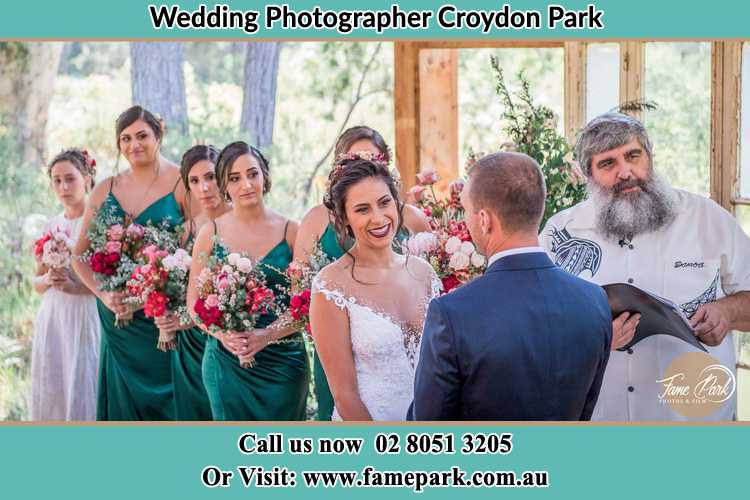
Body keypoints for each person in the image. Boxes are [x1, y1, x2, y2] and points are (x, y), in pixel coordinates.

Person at [541, 112, 750, 421]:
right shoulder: (561, 233)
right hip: (599, 425)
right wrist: (591, 339)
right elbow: (537, 326)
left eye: (633, 155)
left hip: (694, 426)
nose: (625, 172)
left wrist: (726, 313)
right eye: (608, 163)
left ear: (649, 157)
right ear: (588, 175)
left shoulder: (707, 219)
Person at [411, 152, 612, 420]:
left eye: (466, 211)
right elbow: (585, 410)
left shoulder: (452, 313)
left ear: (485, 220)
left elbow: (428, 428)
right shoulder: (595, 300)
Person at [294, 125, 431, 421]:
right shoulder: (330, 286)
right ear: (344, 217)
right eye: (362, 209)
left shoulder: (425, 273)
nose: (378, 218)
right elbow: (344, 395)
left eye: (384, 203)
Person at [73, 105, 187, 420]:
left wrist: (151, 296)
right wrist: (104, 294)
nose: (134, 145)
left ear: (158, 135)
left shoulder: (181, 182)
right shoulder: (105, 188)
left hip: (162, 319)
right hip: (118, 319)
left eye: (142, 135)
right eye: (125, 138)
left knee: (170, 402)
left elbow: (195, 252)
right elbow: (78, 254)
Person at [187, 141, 309, 421]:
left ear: (264, 175)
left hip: (284, 366)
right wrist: (223, 335)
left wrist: (266, 335)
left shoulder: (292, 232)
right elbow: (194, 305)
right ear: (223, 185)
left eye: (252, 174)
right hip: (226, 364)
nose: (246, 184)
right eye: (234, 178)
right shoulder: (210, 233)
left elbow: (304, 307)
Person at [155, 145, 229, 420]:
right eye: (194, 181)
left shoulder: (240, 223)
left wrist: (188, 319)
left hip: (227, 340)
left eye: (210, 177)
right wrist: (166, 314)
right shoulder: (186, 230)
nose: (204, 188)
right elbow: (174, 285)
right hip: (188, 346)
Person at [31, 148, 101, 421]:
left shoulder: (96, 223)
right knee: (55, 381)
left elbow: (108, 283)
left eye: (70, 179)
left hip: (85, 312)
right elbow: (36, 283)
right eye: (57, 181)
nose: (63, 187)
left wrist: (77, 286)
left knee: (84, 378)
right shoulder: (50, 225)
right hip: (54, 315)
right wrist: (48, 278)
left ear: (86, 178)